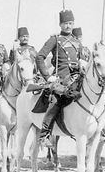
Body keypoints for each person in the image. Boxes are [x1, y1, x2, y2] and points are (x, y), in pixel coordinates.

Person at [36, 9, 86, 146]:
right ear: (60, 24)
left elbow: (83, 59)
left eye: (70, 23)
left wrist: (83, 62)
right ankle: (44, 134)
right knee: (55, 101)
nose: (68, 26)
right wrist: (47, 77)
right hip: (61, 78)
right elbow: (39, 57)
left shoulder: (77, 42)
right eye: (65, 23)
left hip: (77, 78)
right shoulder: (54, 39)